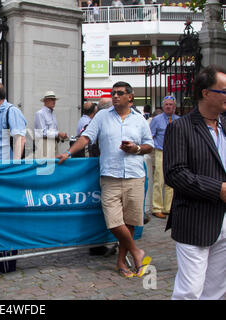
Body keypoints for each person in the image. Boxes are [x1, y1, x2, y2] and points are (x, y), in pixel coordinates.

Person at [57, 81, 154, 278]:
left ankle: (121, 260)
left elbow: (149, 145)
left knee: (130, 222)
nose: (115, 96)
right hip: (110, 175)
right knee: (113, 221)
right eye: (113, 93)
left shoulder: (139, 119)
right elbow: (86, 138)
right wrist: (68, 152)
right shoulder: (102, 116)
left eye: (120, 93)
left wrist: (135, 148)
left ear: (130, 97)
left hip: (135, 176)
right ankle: (137, 251)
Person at [163, 65, 226, 300]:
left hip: (224, 220)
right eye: (224, 91)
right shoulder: (181, 127)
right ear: (206, 93)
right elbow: (175, 174)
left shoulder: (225, 125)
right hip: (195, 220)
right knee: (189, 291)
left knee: (217, 290)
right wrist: (217, 189)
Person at [149, 96, 179, 219]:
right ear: (163, 106)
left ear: (175, 107)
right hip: (160, 151)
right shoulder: (156, 120)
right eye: (166, 104)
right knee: (158, 180)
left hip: (174, 153)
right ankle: (157, 207)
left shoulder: (179, 120)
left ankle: (168, 207)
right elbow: (150, 135)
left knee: (171, 181)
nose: (168, 106)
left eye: (170, 104)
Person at [34, 91, 68, 158]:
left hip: (53, 142)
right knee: (46, 164)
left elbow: (52, 129)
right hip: (44, 143)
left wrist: (58, 136)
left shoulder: (52, 114)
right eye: (52, 99)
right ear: (45, 101)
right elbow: (42, 132)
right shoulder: (40, 113)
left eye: (54, 99)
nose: (54, 102)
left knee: (53, 164)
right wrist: (58, 134)